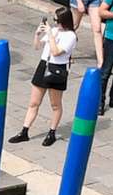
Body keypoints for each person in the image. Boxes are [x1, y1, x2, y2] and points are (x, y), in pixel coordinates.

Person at [16, 9, 73, 148]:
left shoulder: (70, 36)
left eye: (57, 21)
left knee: (55, 104)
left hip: (57, 69)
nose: (54, 23)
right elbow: (37, 47)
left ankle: (52, 132)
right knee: (34, 102)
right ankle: (25, 130)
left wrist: (50, 35)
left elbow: (56, 52)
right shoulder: (53, 31)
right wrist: (37, 34)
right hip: (44, 65)